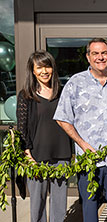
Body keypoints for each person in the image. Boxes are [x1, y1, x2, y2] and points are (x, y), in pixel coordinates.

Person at [53, 38, 107, 222]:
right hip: (88, 159)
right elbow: (62, 118)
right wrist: (82, 143)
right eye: (95, 53)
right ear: (88, 57)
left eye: (104, 53)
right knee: (90, 209)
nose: (101, 57)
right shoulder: (75, 83)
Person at [16, 50, 72, 222]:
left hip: (62, 156)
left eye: (47, 66)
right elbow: (22, 129)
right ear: (33, 71)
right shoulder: (26, 96)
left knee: (59, 206)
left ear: (52, 69)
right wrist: (28, 157)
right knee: (37, 205)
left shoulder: (63, 93)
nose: (44, 71)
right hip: (36, 157)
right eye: (39, 67)